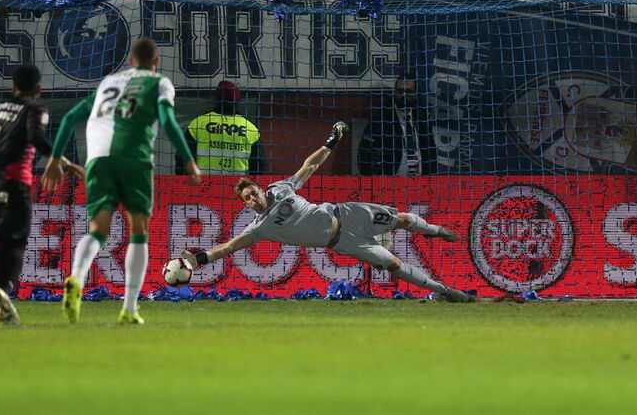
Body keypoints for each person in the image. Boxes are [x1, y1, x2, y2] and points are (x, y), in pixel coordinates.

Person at [181, 122, 474, 303]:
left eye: (254, 191)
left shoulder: (281, 189)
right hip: (345, 243)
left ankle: (438, 231)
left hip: (348, 214)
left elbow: (309, 167)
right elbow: (229, 247)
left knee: (402, 220)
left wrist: (331, 139)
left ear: (259, 187)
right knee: (394, 264)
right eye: (248, 198)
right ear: (246, 204)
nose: (253, 197)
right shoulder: (259, 227)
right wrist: (197, 259)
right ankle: (446, 291)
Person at [42, 38, 202, 325]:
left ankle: (76, 278)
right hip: (134, 159)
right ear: (155, 62)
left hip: (98, 160)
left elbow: (69, 118)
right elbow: (166, 119)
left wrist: (54, 159)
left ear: (130, 61)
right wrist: (189, 160)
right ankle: (129, 308)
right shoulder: (159, 82)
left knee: (97, 229)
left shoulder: (109, 83)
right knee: (138, 229)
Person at [0, 65, 84, 325]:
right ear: (38, 90)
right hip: (13, 185)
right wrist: (63, 163)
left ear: (12, 87)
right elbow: (35, 136)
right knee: (16, 242)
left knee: (3, 239)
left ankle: (2, 300)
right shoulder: (34, 109)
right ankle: (2, 289)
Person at [179, 80, 266, 175]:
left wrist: (182, 184)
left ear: (215, 99)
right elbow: (259, 165)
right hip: (237, 186)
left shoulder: (198, 124)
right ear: (237, 101)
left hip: (203, 187)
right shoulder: (250, 129)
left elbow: (182, 157)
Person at [357, 75, 436, 176]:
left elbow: (431, 152)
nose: (404, 95)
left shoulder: (422, 117)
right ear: (394, 93)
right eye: (400, 91)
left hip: (420, 184)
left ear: (415, 95)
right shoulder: (381, 118)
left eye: (408, 91)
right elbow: (364, 156)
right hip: (390, 185)